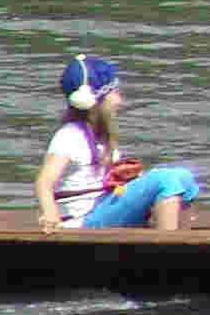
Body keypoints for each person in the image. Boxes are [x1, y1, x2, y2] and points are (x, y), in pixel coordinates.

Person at [34, 56, 201, 232]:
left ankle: (185, 244)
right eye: (114, 93)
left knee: (184, 178)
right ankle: (167, 248)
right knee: (167, 179)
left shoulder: (98, 135)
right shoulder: (69, 136)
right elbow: (44, 182)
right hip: (84, 221)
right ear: (92, 101)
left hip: (105, 207)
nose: (120, 100)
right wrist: (51, 216)